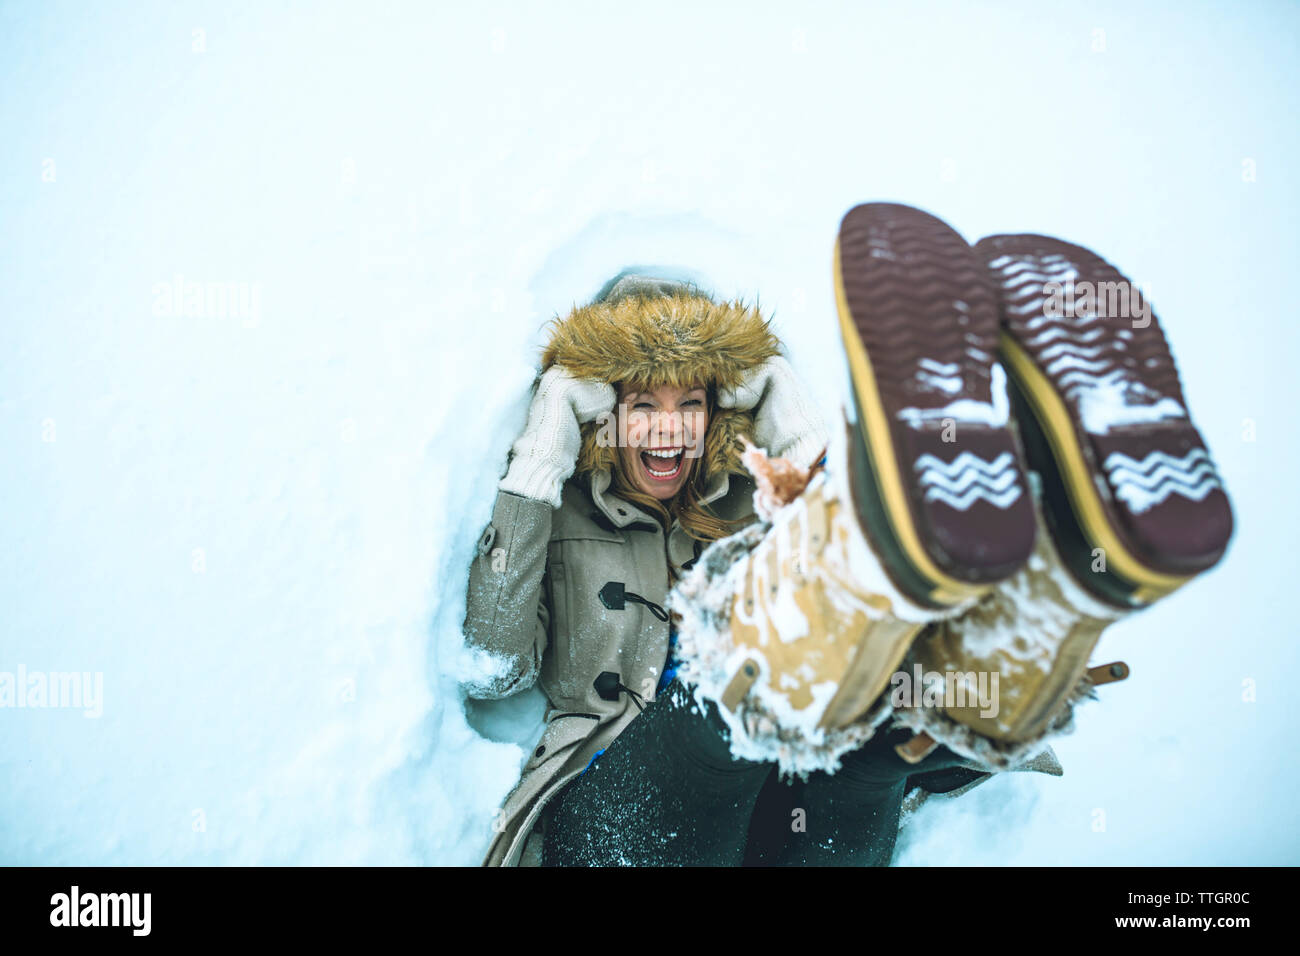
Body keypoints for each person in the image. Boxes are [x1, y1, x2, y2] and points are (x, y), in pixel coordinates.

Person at [462, 204, 1233, 867]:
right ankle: (789, 660)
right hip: (617, 822)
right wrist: (541, 453)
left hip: (774, 825)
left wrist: (789, 419)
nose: (670, 428)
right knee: (724, 714)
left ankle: (1016, 615)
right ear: (603, 414)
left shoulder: (750, 504)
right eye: (641, 404)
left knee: (871, 751)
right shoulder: (562, 514)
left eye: (692, 402)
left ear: (721, 412)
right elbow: (494, 666)